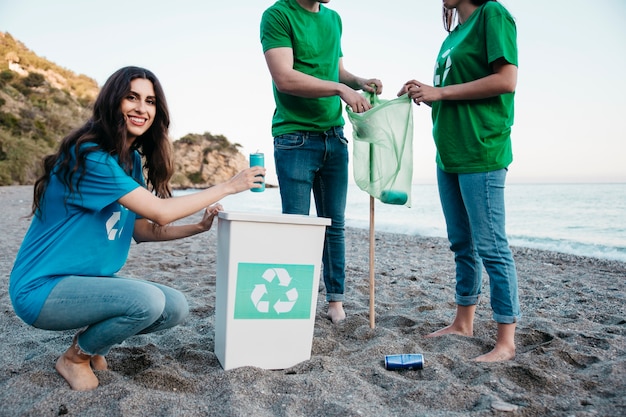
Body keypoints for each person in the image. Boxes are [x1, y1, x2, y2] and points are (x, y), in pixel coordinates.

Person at [9, 66, 265, 391]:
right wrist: (228, 186)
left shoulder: (130, 163)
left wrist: (198, 227)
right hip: (41, 289)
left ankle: (94, 344)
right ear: (113, 102)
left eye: (150, 101)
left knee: (174, 307)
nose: (142, 108)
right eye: (132, 97)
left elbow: (143, 229)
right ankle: (74, 358)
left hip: (87, 283)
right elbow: (159, 212)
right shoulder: (91, 157)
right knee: (146, 302)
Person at [398, 0, 520, 361]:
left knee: (492, 246)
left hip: (480, 149)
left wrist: (440, 93)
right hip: (448, 152)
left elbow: (506, 80)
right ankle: (463, 322)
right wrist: (424, 93)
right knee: (461, 243)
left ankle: (505, 341)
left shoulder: (492, 15)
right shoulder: (451, 36)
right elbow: (451, 94)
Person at [260, 0, 383, 324]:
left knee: (334, 224)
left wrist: (358, 81)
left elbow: (337, 70)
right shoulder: (277, 15)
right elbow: (285, 78)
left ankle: (335, 301)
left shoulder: (333, 19)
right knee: (297, 227)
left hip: (334, 136)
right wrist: (340, 89)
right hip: (294, 137)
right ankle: (293, 302)